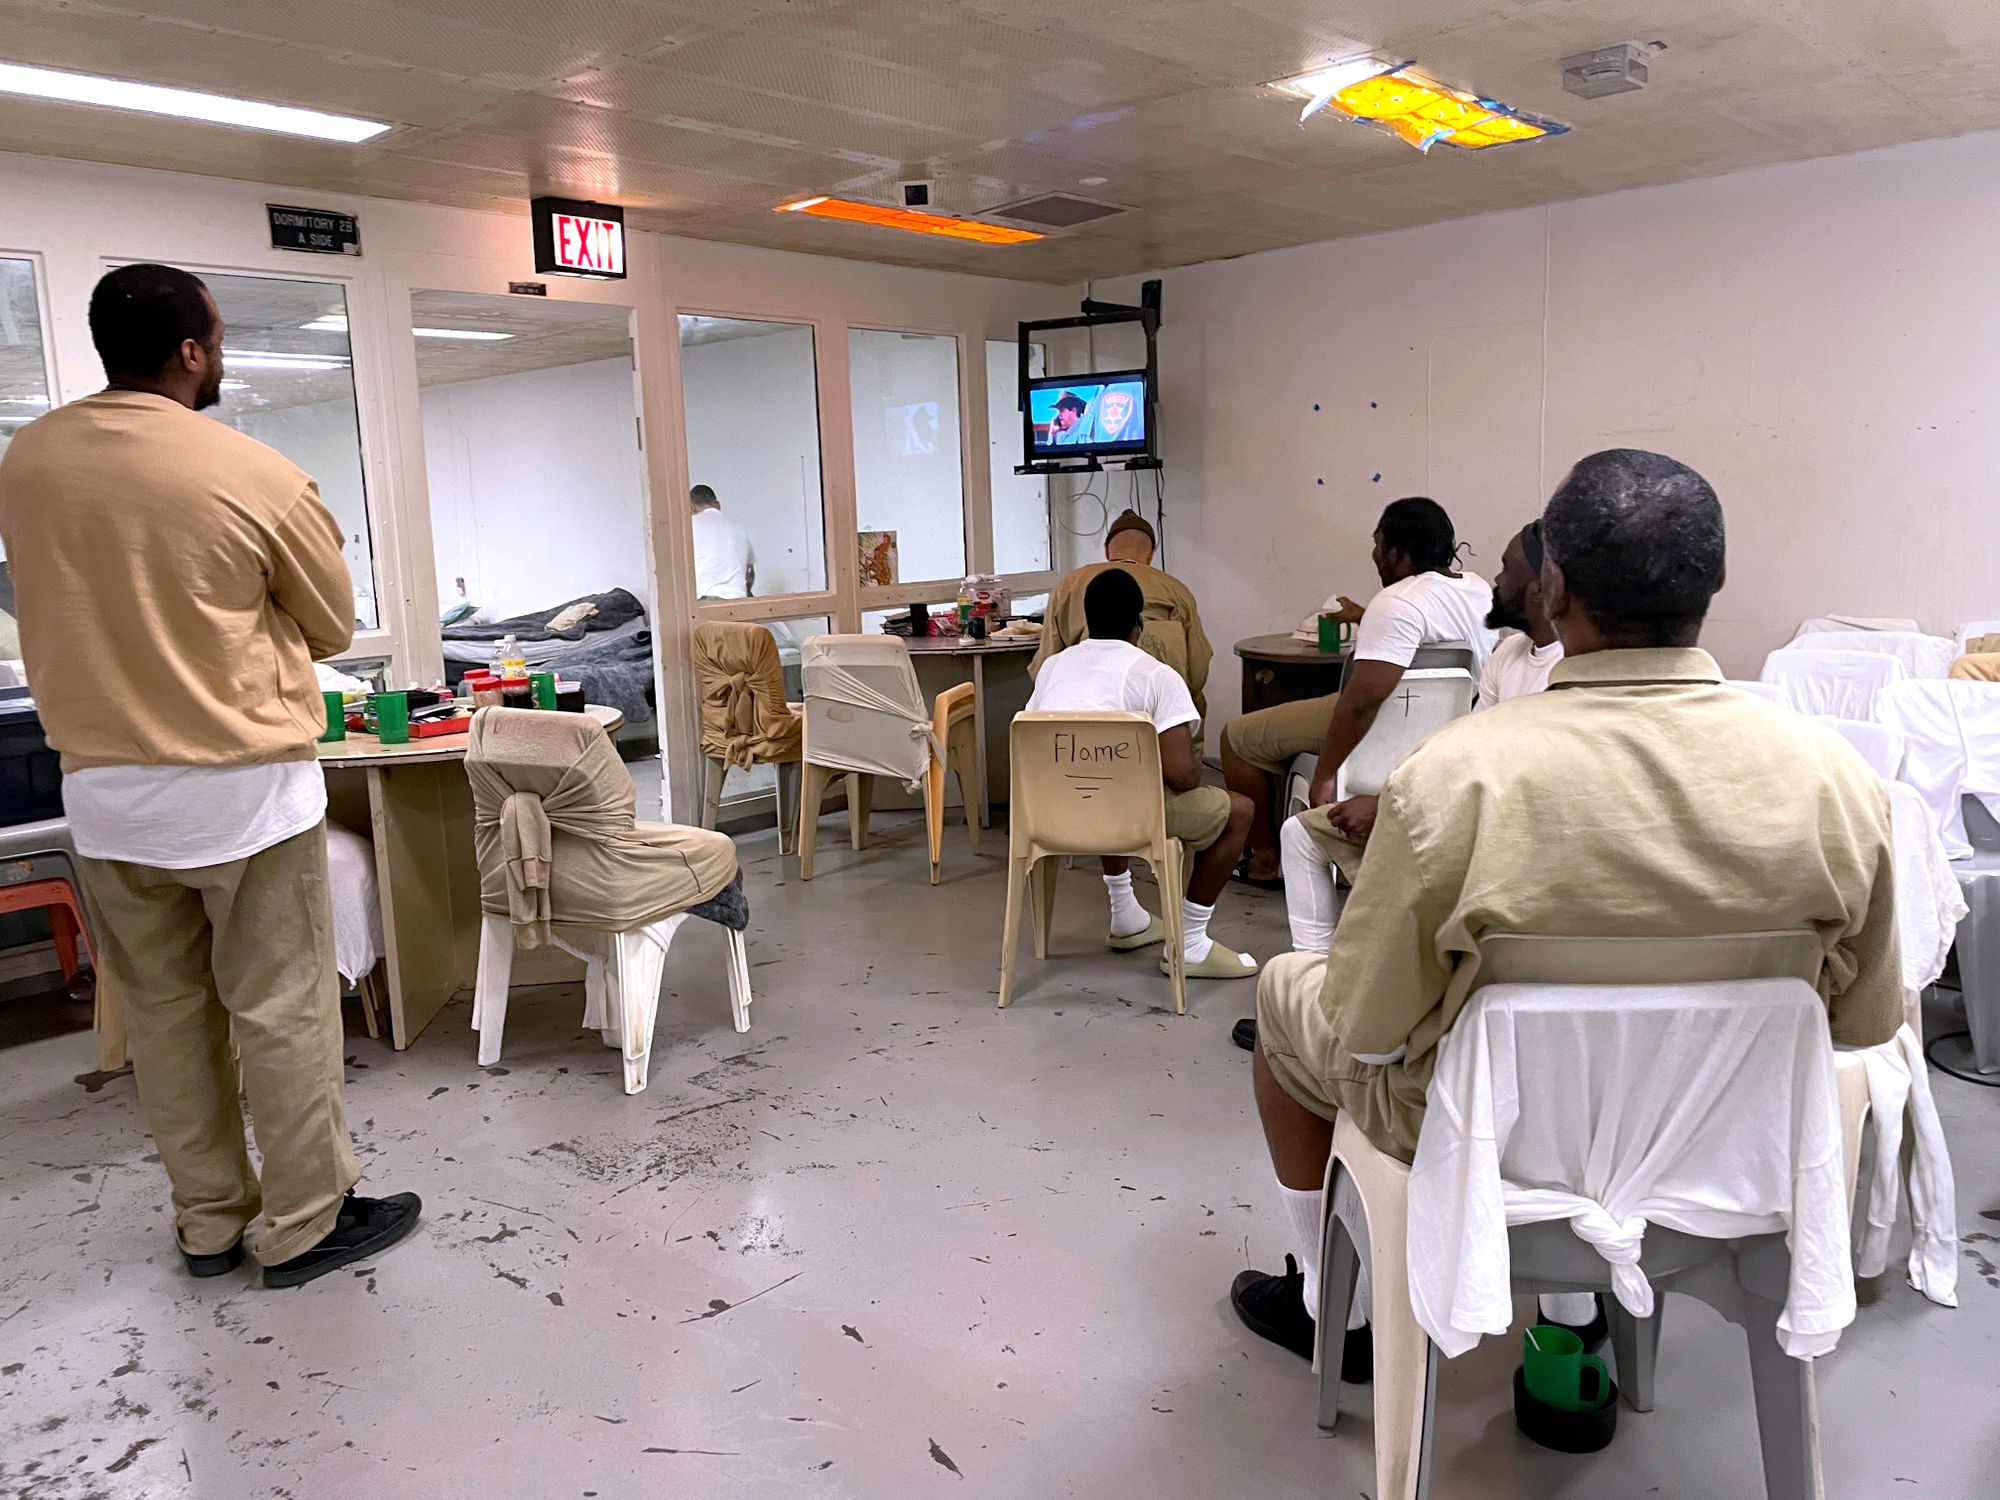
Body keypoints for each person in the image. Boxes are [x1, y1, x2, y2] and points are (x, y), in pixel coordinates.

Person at [1229, 448, 1903, 1378]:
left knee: (1282, 999)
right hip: (1721, 1145)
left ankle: (1322, 1297)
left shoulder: (1456, 779)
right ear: (1714, 580)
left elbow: (1370, 1029)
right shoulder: (1839, 783)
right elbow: (1860, 1023)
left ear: (1552, 586)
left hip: (1489, 1139)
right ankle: (1570, 1333)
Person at [0, 264, 421, 1289]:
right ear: (191, 350)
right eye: (219, 336)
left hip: (104, 800)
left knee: (169, 1021)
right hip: (244, 793)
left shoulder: (25, 463)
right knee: (278, 1011)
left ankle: (208, 1225)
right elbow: (327, 625)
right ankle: (308, 1223)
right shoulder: (254, 474)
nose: (220, 352)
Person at [1270, 520, 1562, 959]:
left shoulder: (1567, 671)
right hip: (1454, 819)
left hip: (1496, 846)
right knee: (1301, 833)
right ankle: (1312, 980)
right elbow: (1463, 749)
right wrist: (1392, 799)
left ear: (1542, 590)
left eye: (1507, 569)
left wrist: (1390, 808)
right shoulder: (1509, 653)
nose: (1496, 580)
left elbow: (1513, 786)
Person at [1221, 497, 1495, 887]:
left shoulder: (1396, 600)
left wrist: (1327, 774)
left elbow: (1361, 704)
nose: (1374, 553)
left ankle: (1267, 859)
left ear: (1399, 554)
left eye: (1379, 543)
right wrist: (1368, 614)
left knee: (1237, 739)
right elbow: (1427, 624)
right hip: (1449, 729)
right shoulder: (1478, 589)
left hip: (1382, 724)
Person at [1024, 568, 1258, 980]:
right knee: (1238, 811)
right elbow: (1184, 776)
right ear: (1139, 624)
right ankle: (1192, 943)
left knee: (1099, 780)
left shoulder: (1053, 668)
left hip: (1050, 816)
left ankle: (1127, 916)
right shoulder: (1157, 675)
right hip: (1125, 817)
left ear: (1087, 617)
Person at [1029, 509, 1212, 747]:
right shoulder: (1176, 589)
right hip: (1162, 742)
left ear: (1107, 550)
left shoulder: (1070, 584)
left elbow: (1045, 662)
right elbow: (1198, 669)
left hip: (1074, 746)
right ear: (1151, 553)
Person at [690, 483, 755, 599]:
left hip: (705, 599)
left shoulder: (689, 526)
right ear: (718, 505)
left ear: (691, 507)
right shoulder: (739, 530)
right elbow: (750, 573)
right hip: (738, 599)